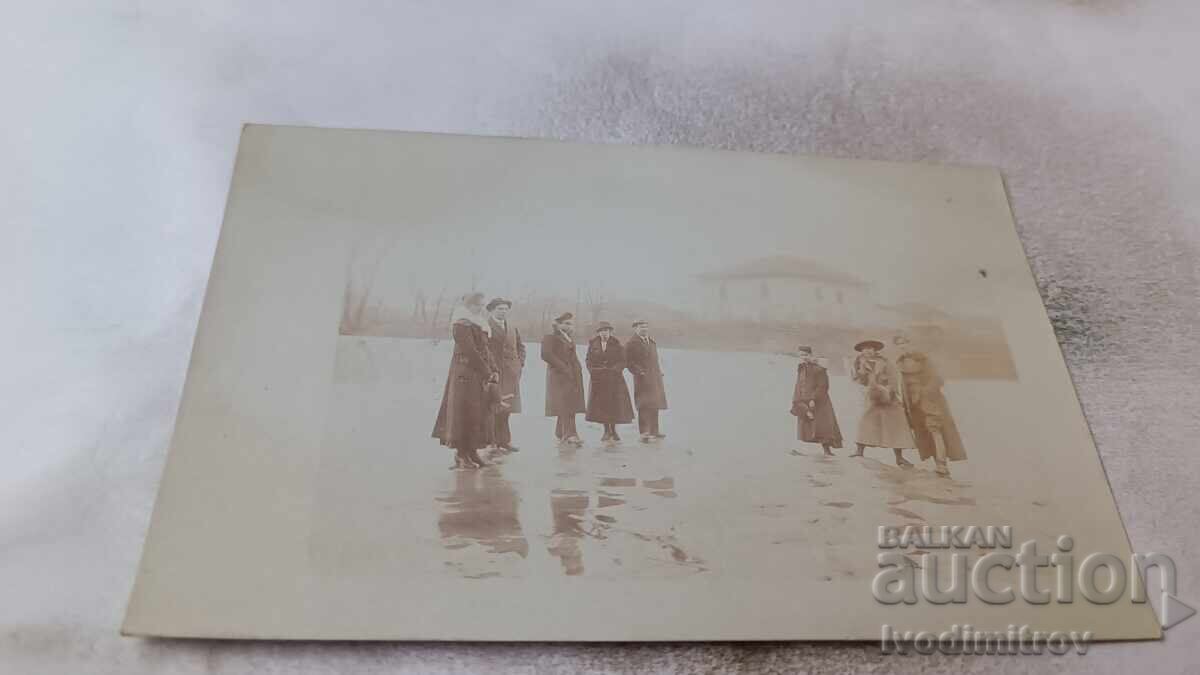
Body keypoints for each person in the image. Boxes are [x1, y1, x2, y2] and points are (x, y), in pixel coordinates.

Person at [432, 292, 500, 469]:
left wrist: (494, 369)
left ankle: (472, 452)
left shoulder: (480, 324)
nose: (479, 308)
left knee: (476, 415)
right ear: (468, 306)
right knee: (463, 415)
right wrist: (487, 372)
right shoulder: (461, 324)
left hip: (477, 374)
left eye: (481, 305)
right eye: (476, 305)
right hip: (464, 374)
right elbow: (470, 351)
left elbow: (485, 349)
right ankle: (461, 455)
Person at [894, 332, 967, 477]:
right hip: (912, 404)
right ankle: (935, 463)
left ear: (911, 343)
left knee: (935, 430)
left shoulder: (924, 360)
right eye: (899, 344)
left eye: (905, 343)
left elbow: (937, 380)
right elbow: (902, 384)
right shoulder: (900, 362)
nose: (903, 347)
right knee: (923, 433)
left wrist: (923, 393)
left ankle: (942, 464)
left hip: (929, 402)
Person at [849, 339, 915, 467]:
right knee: (865, 421)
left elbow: (893, 378)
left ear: (875, 350)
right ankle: (859, 451)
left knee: (896, 424)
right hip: (872, 396)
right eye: (864, 349)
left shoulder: (885, 362)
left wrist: (889, 391)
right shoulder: (859, 362)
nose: (867, 351)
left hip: (888, 396)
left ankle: (899, 457)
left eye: (870, 348)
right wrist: (860, 372)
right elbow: (859, 380)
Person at [584, 321, 635, 442]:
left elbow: (623, 361)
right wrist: (594, 371)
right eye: (602, 331)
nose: (604, 333)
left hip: (614, 381)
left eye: (606, 331)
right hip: (599, 380)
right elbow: (588, 360)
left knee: (614, 406)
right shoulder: (593, 344)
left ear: (610, 332)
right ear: (598, 332)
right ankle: (606, 431)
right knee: (602, 407)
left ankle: (614, 430)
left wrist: (613, 371)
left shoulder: (617, 344)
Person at [486, 297, 524, 453]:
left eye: (505, 309)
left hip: (511, 374)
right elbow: (483, 349)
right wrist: (489, 370)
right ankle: (492, 441)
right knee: (494, 407)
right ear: (492, 310)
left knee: (507, 409)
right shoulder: (485, 326)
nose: (503, 311)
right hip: (493, 374)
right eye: (499, 309)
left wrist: (519, 364)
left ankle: (505, 441)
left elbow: (521, 347)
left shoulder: (513, 327)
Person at [541, 312, 585, 446]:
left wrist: (578, 369)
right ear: (558, 324)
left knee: (570, 403)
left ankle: (561, 432)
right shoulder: (550, 337)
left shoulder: (569, 338)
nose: (569, 326)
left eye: (571, 324)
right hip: (558, 376)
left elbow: (573, 356)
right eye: (566, 323)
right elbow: (546, 355)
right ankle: (569, 434)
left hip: (572, 375)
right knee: (566, 405)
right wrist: (564, 368)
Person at [790, 345, 843, 456]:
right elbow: (799, 384)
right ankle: (804, 451)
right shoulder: (801, 368)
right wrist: (797, 399)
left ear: (810, 355)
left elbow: (823, 386)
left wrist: (814, 399)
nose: (803, 357)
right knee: (806, 426)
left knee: (822, 425)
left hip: (820, 401)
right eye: (800, 355)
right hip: (804, 399)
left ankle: (827, 451)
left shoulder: (819, 368)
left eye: (805, 355)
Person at [625, 319, 668, 442]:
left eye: (645, 327)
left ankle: (654, 430)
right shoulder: (631, 343)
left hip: (655, 378)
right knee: (643, 405)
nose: (644, 329)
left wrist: (659, 372)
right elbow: (628, 362)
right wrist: (640, 372)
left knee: (655, 403)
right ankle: (644, 432)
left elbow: (655, 360)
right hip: (642, 379)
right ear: (635, 329)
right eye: (640, 327)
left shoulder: (652, 342)